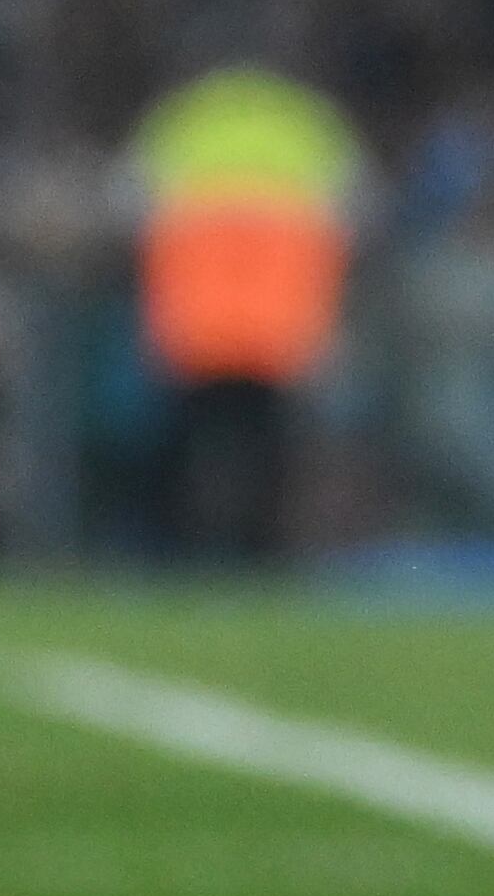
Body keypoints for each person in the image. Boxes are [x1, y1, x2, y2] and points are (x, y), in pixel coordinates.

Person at [128, 67, 364, 564]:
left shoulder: (183, 120)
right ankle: (265, 557)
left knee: (188, 448)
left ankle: (183, 555)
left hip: (198, 328)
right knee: (271, 452)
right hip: (277, 333)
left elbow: (130, 209)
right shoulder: (310, 124)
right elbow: (357, 216)